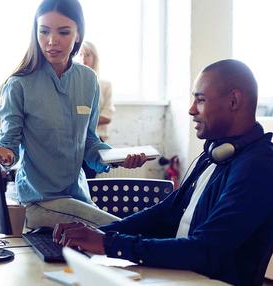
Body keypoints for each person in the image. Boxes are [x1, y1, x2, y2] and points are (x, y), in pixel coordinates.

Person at [53, 59, 273, 286]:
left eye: (200, 100)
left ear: (234, 101)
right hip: (179, 277)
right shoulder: (216, 152)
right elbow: (166, 212)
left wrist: (110, 243)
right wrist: (94, 233)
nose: (191, 109)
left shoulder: (258, 165)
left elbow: (206, 249)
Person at [0, 0, 147, 229]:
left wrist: (115, 158)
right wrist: (3, 154)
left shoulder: (88, 80)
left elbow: (88, 142)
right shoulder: (19, 85)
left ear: (78, 35)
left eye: (63, 32)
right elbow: (9, 145)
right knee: (124, 231)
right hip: (38, 201)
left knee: (128, 232)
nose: (51, 41)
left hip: (77, 197)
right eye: (44, 31)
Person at [78, 41, 115, 178]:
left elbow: (107, 116)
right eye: (80, 54)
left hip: (95, 141)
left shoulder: (104, 85)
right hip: (72, 142)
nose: (83, 59)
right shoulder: (70, 83)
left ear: (95, 58)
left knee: (89, 183)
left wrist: (79, 121)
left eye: (87, 55)